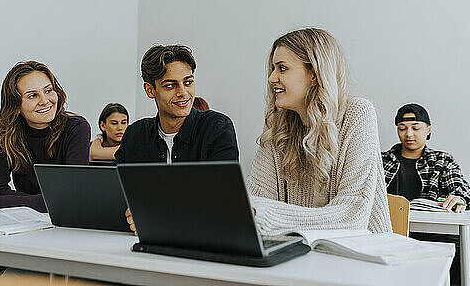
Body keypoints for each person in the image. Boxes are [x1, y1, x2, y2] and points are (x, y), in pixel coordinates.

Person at [246, 28, 391, 237]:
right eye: (272, 69)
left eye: (282, 68)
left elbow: (351, 216)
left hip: (360, 257)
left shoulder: (358, 114)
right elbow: (254, 199)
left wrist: (265, 215)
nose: (271, 78)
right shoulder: (280, 126)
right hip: (301, 253)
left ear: (314, 74)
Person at [0, 61, 90, 213]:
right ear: (16, 107)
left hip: (66, 224)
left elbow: (70, 198)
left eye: (48, 90)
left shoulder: (76, 128)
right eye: (33, 95)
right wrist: (44, 202)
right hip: (24, 224)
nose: (45, 101)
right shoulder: (7, 134)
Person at [383, 103, 470, 286]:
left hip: (435, 236)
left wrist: (459, 197)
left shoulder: (442, 160)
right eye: (402, 128)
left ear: (428, 129)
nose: (409, 134)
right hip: (391, 234)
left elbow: (461, 188)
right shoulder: (382, 160)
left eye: (415, 128)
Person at [114, 44, 239, 164]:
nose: (183, 93)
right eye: (170, 85)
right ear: (150, 90)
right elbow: (114, 183)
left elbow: (223, 185)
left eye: (188, 82)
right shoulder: (135, 135)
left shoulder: (216, 128)